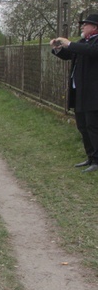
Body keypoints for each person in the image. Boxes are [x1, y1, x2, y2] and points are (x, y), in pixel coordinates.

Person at [51, 14, 98, 173]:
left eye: (85, 25)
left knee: (93, 126)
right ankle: (90, 157)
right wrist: (58, 48)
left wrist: (69, 43)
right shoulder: (83, 42)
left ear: (94, 27)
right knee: (83, 126)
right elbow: (72, 54)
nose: (82, 27)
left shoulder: (95, 42)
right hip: (80, 91)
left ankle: (97, 160)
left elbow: (90, 52)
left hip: (93, 93)